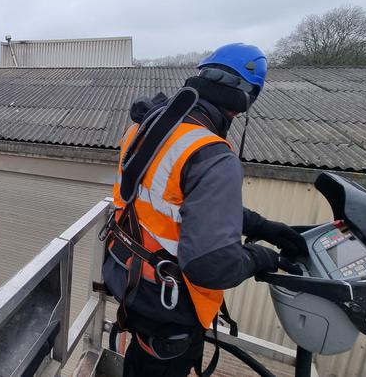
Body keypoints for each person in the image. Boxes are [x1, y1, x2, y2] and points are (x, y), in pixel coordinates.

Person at [101, 43, 308, 377]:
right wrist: (262, 257)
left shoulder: (148, 128)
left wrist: (260, 225)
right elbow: (210, 267)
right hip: (166, 308)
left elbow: (175, 202)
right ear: (246, 101)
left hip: (131, 280)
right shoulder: (211, 154)